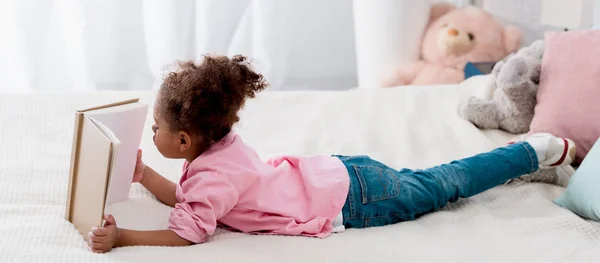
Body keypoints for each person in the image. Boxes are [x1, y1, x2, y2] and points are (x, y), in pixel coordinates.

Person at [87, 54, 576, 253]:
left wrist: (124, 237)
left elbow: (190, 230)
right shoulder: (220, 150)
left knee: (447, 183)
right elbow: (193, 199)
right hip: (342, 173)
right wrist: (146, 174)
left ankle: (535, 151)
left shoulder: (211, 175)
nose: (151, 134)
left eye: (156, 130)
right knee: (432, 179)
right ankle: (532, 166)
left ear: (187, 141)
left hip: (352, 200)